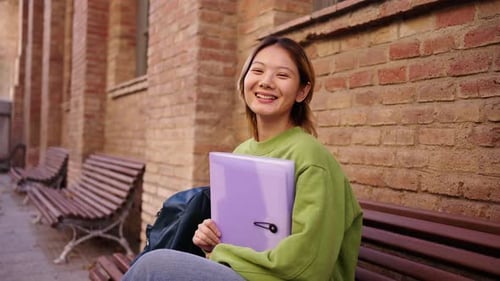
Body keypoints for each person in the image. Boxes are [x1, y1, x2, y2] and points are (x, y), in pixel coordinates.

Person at [122, 36, 363, 281]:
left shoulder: (312, 159)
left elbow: (308, 266)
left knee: (153, 266)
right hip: (243, 275)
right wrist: (211, 237)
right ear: (244, 81)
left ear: (303, 91)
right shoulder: (242, 153)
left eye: (282, 75)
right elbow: (240, 235)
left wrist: (221, 253)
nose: (266, 82)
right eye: (257, 71)